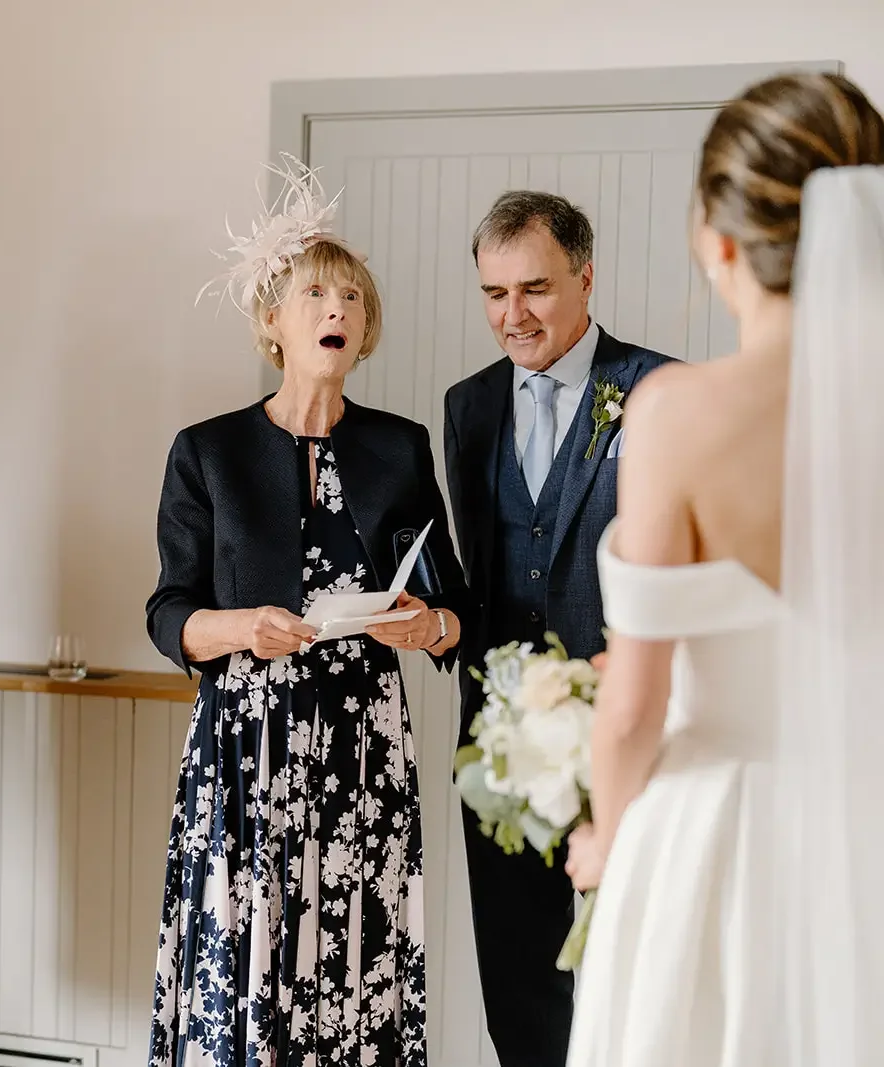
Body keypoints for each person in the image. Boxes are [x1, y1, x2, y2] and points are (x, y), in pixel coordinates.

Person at [563, 71, 884, 1066]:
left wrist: (606, 847)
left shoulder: (677, 412)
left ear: (719, 240)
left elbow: (632, 705)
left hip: (716, 843)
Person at [145, 156, 467, 1067]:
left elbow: (450, 606)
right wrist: (244, 627)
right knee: (248, 950)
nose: (338, 310)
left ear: (365, 331)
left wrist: (426, 623)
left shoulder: (400, 447)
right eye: (316, 294)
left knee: (354, 949)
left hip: (364, 744)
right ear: (274, 322)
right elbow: (169, 610)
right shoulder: (206, 451)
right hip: (247, 746)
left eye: (353, 300)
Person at [441, 192, 673, 1067]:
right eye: (494, 293)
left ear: (585, 276)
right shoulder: (466, 408)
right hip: (507, 741)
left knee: (640, 967)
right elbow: (483, 576)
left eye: (534, 288)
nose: (514, 315)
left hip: (635, 725)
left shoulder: (656, 390)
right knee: (520, 977)